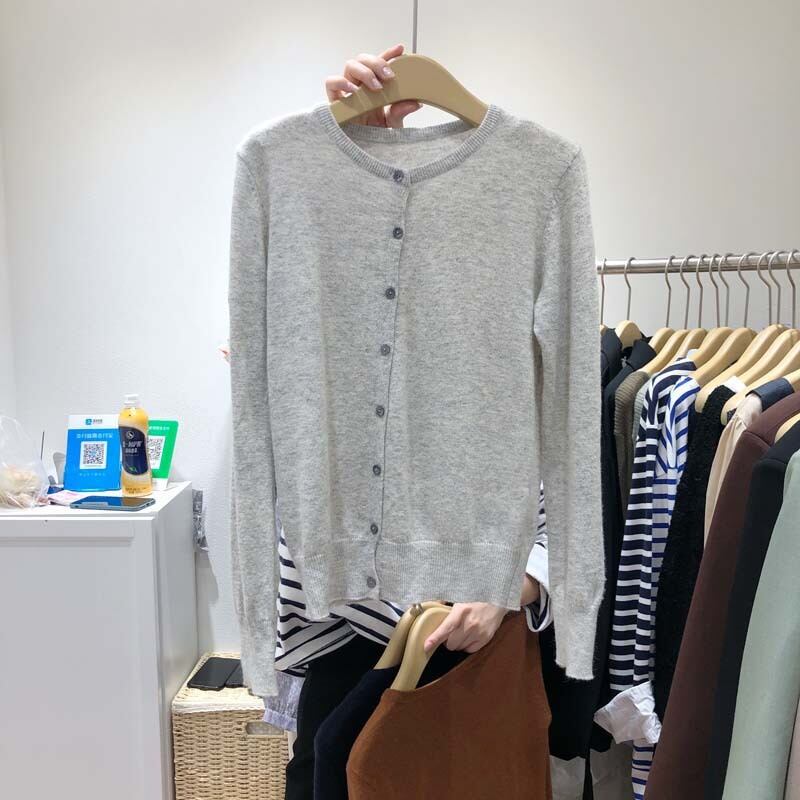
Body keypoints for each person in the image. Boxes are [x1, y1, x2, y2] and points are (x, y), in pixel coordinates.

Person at [273, 44, 550, 798]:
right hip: (344, 647)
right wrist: (350, 142)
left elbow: (564, 509)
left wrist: (515, 585)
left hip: (463, 655)